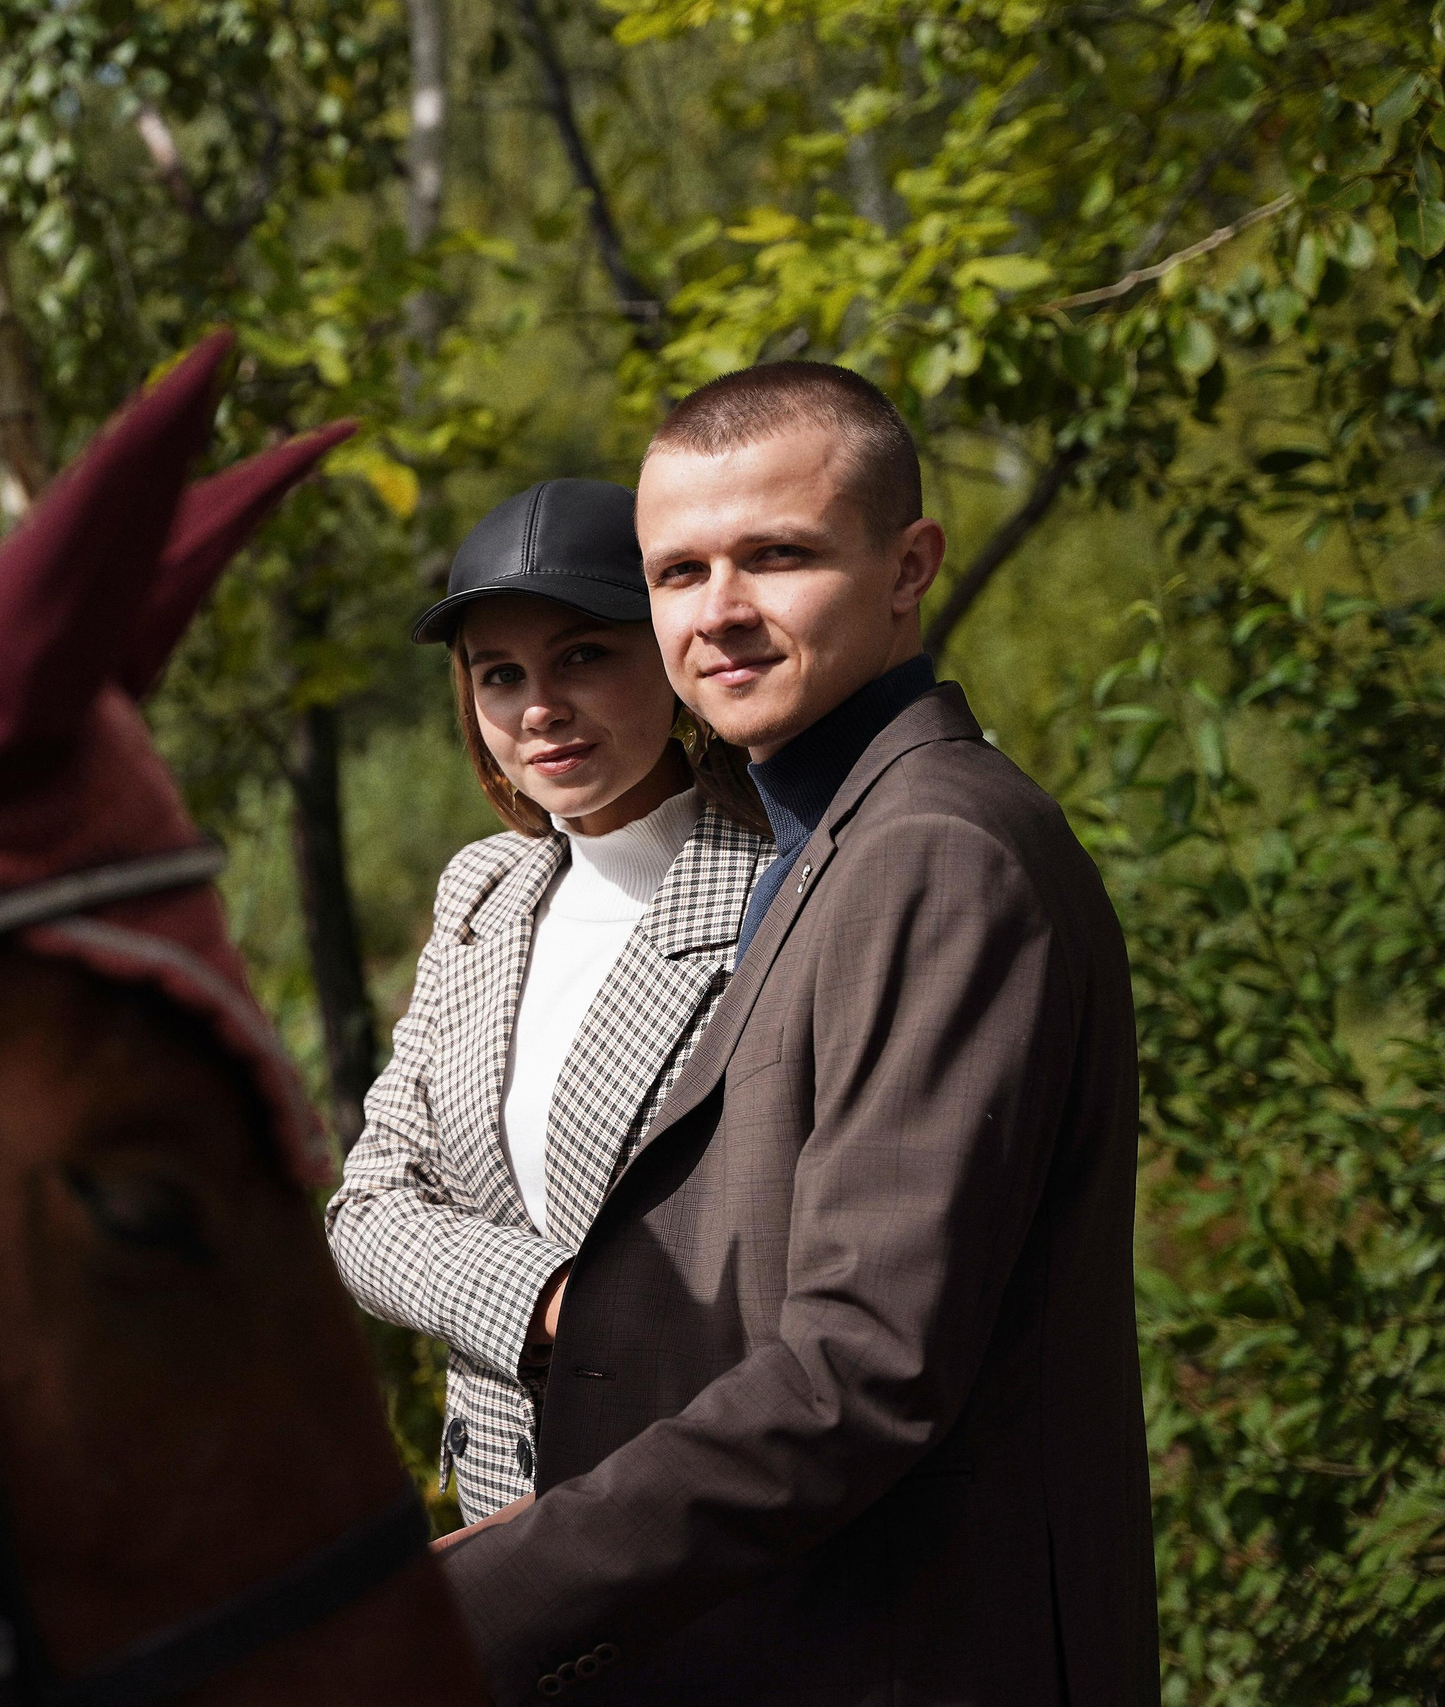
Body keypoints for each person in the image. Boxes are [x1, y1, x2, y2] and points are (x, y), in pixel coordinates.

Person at [434, 363, 1157, 1706]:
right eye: (678, 571)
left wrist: (470, 1599)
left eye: (776, 556)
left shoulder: (937, 850)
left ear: (908, 566)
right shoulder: (817, 841)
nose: (719, 611)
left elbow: (858, 1370)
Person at [325, 478, 772, 1525]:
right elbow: (365, 1210)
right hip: (497, 1504)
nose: (538, 709)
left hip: (693, 1503)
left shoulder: (775, 888)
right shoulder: (483, 890)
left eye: (583, 656)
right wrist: (552, 1300)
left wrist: (577, 1314)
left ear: (670, 652)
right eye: (500, 674)